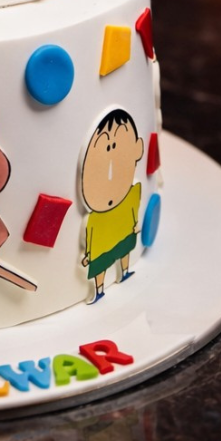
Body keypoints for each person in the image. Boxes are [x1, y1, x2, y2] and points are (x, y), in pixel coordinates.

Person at [80, 110, 144, 304]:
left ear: (138, 149)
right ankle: (99, 290)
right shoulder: (95, 217)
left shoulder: (133, 193)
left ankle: (124, 272)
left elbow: (133, 209)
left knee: (124, 249)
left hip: (123, 231)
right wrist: (89, 254)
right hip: (100, 245)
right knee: (100, 264)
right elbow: (91, 232)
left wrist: (135, 225)